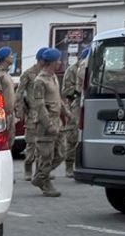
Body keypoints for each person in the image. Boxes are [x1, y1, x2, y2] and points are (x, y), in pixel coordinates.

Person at [28, 47, 64, 197]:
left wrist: (66, 112)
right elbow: (39, 105)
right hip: (44, 124)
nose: (60, 63)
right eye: (58, 60)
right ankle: (44, 181)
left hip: (57, 120)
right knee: (46, 155)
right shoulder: (40, 81)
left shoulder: (53, 78)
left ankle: (39, 177)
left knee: (61, 152)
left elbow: (57, 99)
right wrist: (48, 125)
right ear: (52, 62)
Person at [57, 46, 89, 178]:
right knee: (73, 136)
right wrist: (77, 91)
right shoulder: (72, 70)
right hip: (76, 105)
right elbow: (65, 91)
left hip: (88, 104)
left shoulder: (92, 68)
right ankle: (69, 166)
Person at [15, 47, 46, 181]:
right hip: (32, 113)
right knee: (31, 144)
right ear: (41, 60)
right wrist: (20, 110)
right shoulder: (28, 74)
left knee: (43, 144)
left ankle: (41, 171)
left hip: (44, 113)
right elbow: (20, 93)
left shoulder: (47, 74)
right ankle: (28, 169)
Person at [0, 46, 16, 142]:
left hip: (11, 114)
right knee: (3, 142)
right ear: (5, 58)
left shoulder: (6, 74)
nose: (12, 57)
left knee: (10, 141)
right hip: (3, 115)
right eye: (10, 55)